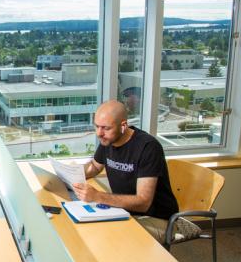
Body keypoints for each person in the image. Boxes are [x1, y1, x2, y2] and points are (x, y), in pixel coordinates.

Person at [72, 100, 179, 243]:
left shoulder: (148, 148)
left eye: (105, 128)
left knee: (106, 235)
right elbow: (95, 166)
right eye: (97, 126)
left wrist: (97, 196)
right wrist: (71, 173)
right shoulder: (108, 140)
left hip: (157, 218)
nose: (99, 133)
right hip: (125, 211)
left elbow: (143, 202)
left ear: (123, 126)